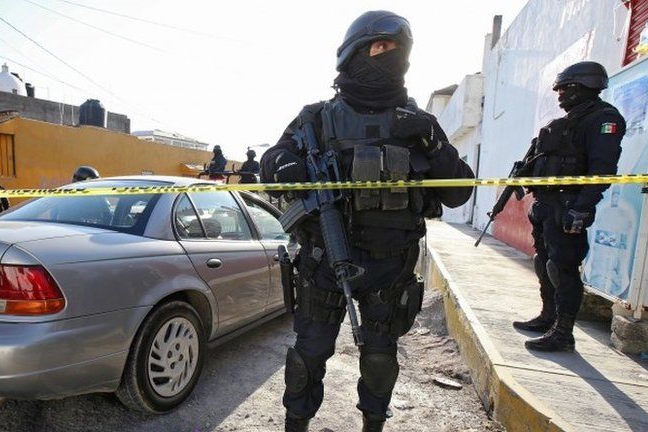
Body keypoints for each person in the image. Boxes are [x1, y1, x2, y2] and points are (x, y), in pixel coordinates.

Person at [259, 11, 474, 432]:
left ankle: (373, 424)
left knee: (379, 358)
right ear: (354, 53)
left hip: (389, 266)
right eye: (379, 47)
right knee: (310, 354)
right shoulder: (317, 119)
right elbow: (272, 161)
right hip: (323, 260)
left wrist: (432, 140)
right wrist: (283, 164)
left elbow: (459, 191)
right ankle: (295, 424)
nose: (388, 57)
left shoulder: (417, 123)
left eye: (397, 51)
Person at [513, 61, 625, 352]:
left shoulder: (603, 119)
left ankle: (563, 333)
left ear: (583, 86)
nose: (559, 94)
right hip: (547, 203)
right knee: (543, 261)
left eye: (564, 88)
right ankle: (547, 316)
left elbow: (602, 170)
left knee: (562, 267)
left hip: (569, 204)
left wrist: (582, 207)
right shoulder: (564, 123)